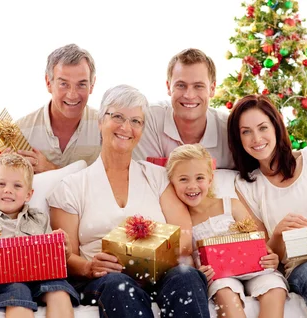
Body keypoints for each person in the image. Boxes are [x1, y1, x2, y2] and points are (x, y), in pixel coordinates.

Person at [48, 84, 210, 317]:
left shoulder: (156, 176)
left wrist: (146, 256)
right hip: (103, 281)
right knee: (119, 285)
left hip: (158, 274)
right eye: (118, 117)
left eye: (136, 121)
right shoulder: (71, 187)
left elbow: (183, 237)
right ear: (100, 121)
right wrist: (88, 267)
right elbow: (65, 256)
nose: (126, 127)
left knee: (187, 276)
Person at [134, 48, 307, 176]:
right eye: (181, 85)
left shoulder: (231, 128)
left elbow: (269, 156)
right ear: (168, 86)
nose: (189, 95)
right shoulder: (148, 118)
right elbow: (138, 177)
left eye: (198, 86)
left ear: (213, 89)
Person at [229, 95, 307, 318]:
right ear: (238, 138)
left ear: (276, 127)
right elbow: (267, 255)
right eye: (246, 132)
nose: (256, 138)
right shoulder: (247, 186)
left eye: (263, 128)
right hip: (303, 264)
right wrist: (279, 233)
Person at [166, 144, 288, 318]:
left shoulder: (230, 205)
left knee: (275, 289)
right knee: (225, 293)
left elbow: (257, 242)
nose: (192, 186)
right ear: (172, 183)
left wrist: (270, 257)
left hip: (255, 269)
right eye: (183, 179)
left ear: (210, 179)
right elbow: (183, 260)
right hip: (219, 276)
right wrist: (198, 274)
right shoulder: (182, 220)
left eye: (199, 178)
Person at [0, 153, 79, 318]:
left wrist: (65, 251)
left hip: (39, 276)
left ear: (29, 195)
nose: (8, 190)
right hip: (0, 282)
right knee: (18, 289)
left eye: (17, 186)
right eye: (1, 184)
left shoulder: (38, 219)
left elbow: (54, 258)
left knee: (58, 287)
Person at [0, 44, 101, 174]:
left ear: (92, 85)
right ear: (48, 83)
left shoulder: (105, 128)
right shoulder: (20, 132)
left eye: (81, 84)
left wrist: (51, 169)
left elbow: (115, 184)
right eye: (63, 84)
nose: (72, 95)